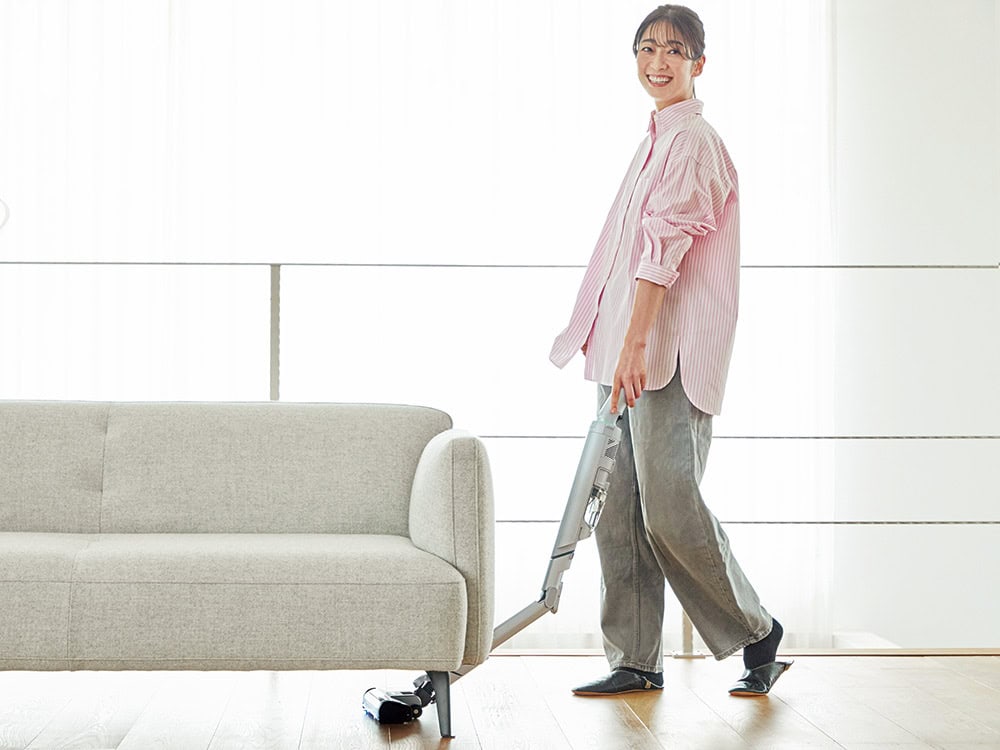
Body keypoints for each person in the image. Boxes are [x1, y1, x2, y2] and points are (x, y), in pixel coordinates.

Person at [549, 4, 791, 697]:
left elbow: (664, 253)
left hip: (667, 355)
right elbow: (624, 257)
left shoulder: (692, 142)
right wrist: (612, 343)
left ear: (698, 64)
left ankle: (756, 630)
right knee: (617, 512)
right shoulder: (655, 138)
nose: (659, 62)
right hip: (623, 352)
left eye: (674, 52)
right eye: (647, 48)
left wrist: (634, 344)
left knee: (669, 507)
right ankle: (634, 659)